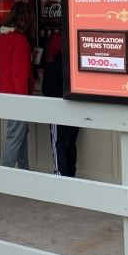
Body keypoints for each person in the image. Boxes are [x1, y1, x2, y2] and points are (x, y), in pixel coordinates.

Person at [0, 1, 36, 170]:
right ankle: (6, 172)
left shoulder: (2, 37)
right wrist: (24, 102)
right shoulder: (20, 41)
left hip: (5, 93)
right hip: (17, 96)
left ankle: (24, 170)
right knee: (15, 136)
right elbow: (20, 76)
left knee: (20, 135)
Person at [42, 32, 79, 177]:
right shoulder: (75, 66)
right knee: (71, 143)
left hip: (57, 111)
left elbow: (47, 91)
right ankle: (71, 174)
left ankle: (60, 175)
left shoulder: (51, 68)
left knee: (59, 144)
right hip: (75, 110)